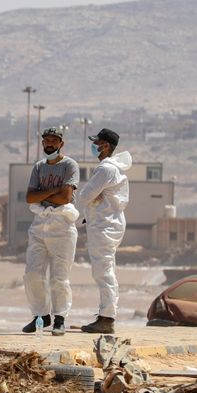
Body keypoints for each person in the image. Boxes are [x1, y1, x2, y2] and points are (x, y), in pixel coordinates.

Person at [22, 127, 79, 336]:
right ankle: (40, 316)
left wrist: (43, 194)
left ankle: (60, 319)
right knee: (33, 273)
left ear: (61, 143)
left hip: (62, 228)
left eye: (54, 141)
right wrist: (56, 190)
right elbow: (29, 197)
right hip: (39, 226)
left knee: (59, 277)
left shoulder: (70, 165)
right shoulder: (39, 167)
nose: (49, 144)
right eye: (46, 140)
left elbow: (65, 199)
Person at [78, 128, 131, 334]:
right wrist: (95, 197)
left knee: (103, 271)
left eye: (97, 143)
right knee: (106, 269)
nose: (95, 146)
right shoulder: (115, 169)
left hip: (104, 225)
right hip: (109, 223)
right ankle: (106, 315)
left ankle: (107, 318)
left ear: (105, 146)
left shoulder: (106, 169)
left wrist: (94, 197)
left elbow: (84, 195)